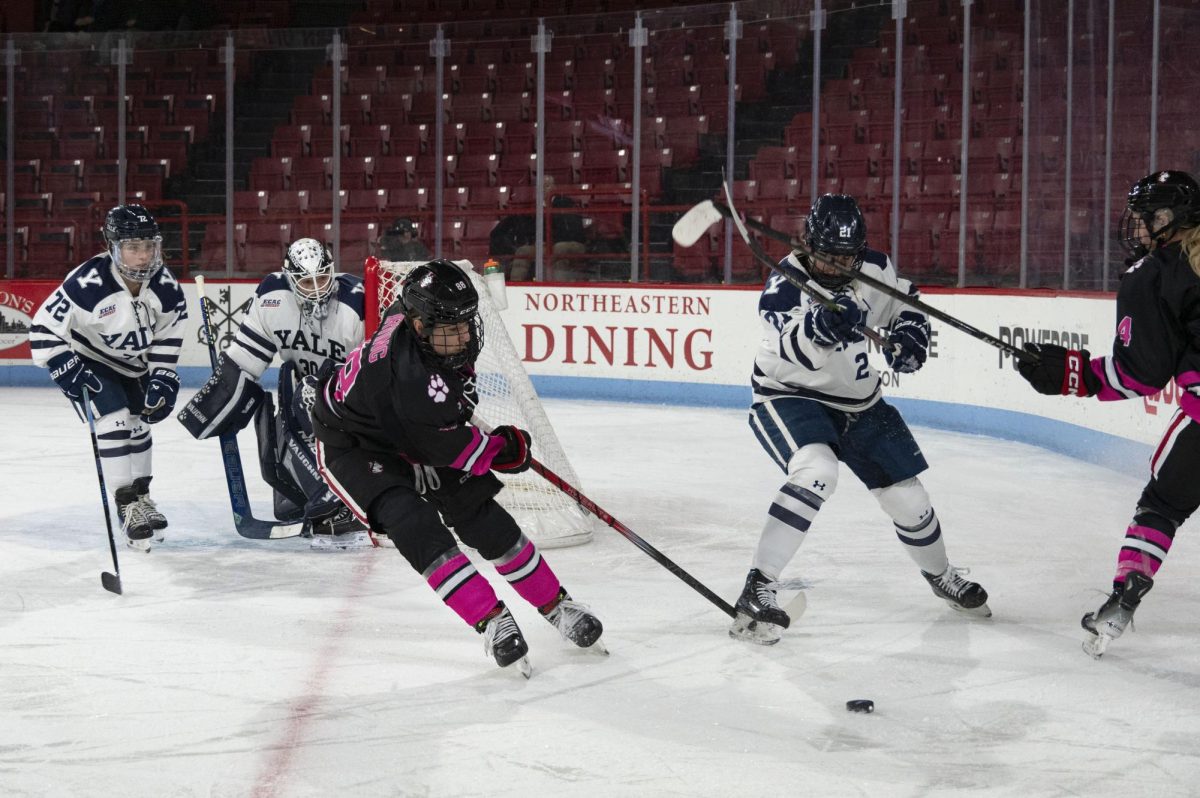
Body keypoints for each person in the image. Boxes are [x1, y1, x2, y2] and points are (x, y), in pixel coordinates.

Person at [309, 258, 603, 672]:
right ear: (419, 326)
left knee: (481, 515)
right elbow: (453, 446)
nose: (464, 336)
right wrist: (503, 449)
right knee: (413, 523)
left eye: (466, 323)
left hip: (407, 428)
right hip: (355, 445)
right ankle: (492, 620)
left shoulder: (415, 321)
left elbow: (442, 416)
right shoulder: (407, 379)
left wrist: (465, 422)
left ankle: (557, 605)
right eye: (451, 329)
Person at [730, 194, 990, 645]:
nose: (838, 265)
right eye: (829, 255)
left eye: (847, 256)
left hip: (862, 403)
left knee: (909, 499)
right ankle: (758, 585)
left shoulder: (875, 266)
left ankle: (941, 574)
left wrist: (911, 333)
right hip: (791, 397)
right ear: (810, 243)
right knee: (817, 472)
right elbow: (792, 346)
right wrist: (824, 326)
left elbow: (904, 300)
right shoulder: (784, 284)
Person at [1015, 170, 1200, 658]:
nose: (1135, 228)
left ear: (1165, 219)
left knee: (1161, 505)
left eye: (1143, 218)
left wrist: (1071, 375)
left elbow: (1140, 374)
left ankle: (1127, 592)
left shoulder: (1155, 274)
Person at [177, 237, 371, 548]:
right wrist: (222, 396)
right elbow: (246, 359)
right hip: (303, 395)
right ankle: (311, 489)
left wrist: (330, 392)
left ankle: (339, 494)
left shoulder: (356, 302)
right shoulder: (273, 296)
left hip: (352, 399)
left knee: (308, 393)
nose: (317, 288)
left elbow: (370, 375)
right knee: (275, 407)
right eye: (306, 281)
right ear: (290, 278)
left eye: (322, 278)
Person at [28, 204, 187, 551]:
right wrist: (64, 367)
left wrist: (162, 374)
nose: (143, 256)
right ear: (112, 246)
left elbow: (168, 334)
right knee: (114, 419)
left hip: (133, 365)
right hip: (90, 362)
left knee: (140, 422)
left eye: (148, 246)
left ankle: (142, 496)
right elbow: (42, 329)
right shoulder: (88, 283)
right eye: (133, 247)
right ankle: (125, 503)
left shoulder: (166, 286)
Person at [489, 174, 587, 281]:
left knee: (558, 250)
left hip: (570, 243)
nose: (544, 190)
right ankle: (516, 286)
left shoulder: (566, 203)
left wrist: (549, 241)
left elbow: (572, 230)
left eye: (547, 186)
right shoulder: (537, 207)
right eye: (541, 187)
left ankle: (558, 287)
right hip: (547, 245)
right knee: (523, 251)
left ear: (554, 187)